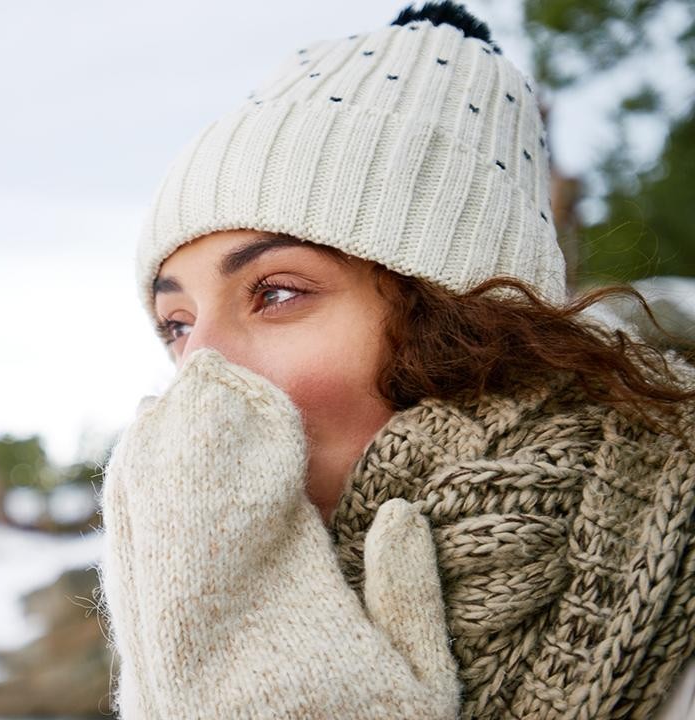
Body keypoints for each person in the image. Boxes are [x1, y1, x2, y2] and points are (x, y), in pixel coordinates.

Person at [95, 2, 695, 718]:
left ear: (455, 317)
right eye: (177, 325)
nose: (202, 373)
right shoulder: (206, 632)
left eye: (277, 293)